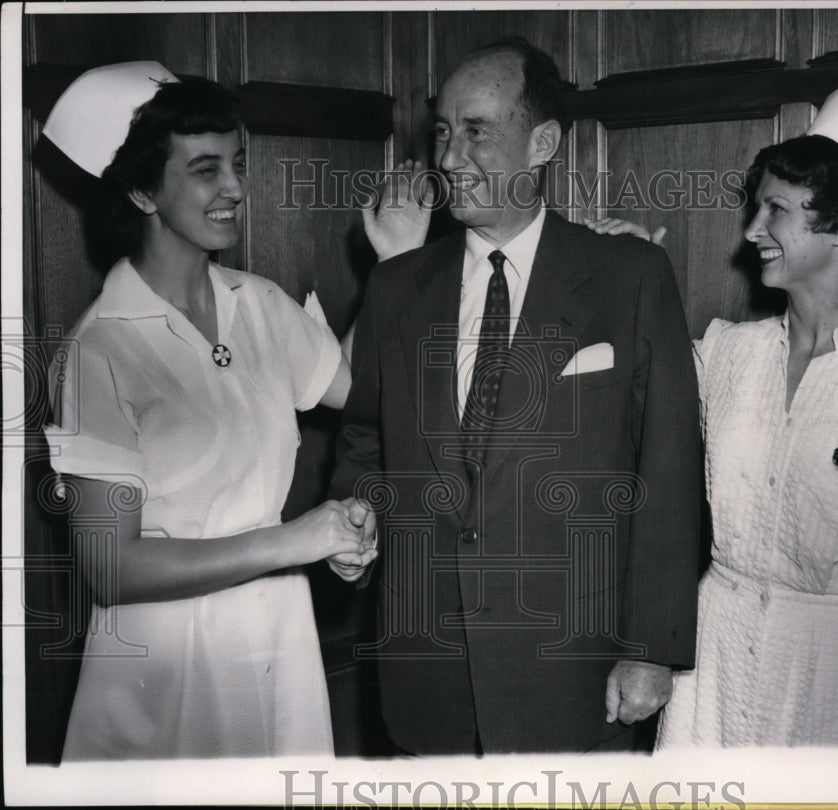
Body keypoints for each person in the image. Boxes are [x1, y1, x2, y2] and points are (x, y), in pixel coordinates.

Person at [328, 36, 702, 754]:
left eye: (475, 132)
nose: (447, 158)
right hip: (424, 668)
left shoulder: (630, 277)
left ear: (542, 142)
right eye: (442, 133)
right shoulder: (397, 287)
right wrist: (357, 516)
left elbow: (668, 474)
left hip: (572, 670)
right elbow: (365, 442)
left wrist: (651, 646)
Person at [40, 62, 423, 759]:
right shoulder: (98, 348)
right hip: (163, 666)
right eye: (207, 170)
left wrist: (394, 267)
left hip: (277, 638)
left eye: (237, 165)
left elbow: (364, 389)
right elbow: (110, 568)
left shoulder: (261, 304)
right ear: (140, 190)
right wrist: (292, 541)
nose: (237, 189)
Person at [587, 76, 838, 747]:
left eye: (777, 211)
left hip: (837, 692)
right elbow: (624, 402)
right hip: (715, 674)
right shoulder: (727, 354)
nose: (753, 231)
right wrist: (631, 286)